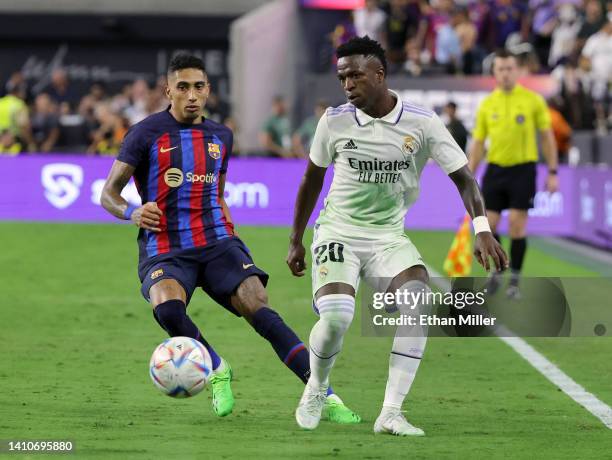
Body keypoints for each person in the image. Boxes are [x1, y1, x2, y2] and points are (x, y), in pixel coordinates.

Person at [100, 54, 359, 424]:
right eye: (184, 87)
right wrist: (132, 212)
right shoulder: (145, 133)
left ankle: (324, 395)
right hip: (166, 247)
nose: (192, 95)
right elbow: (108, 193)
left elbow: (216, 192)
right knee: (168, 308)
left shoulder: (221, 135)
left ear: (208, 90)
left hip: (217, 241)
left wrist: (231, 233)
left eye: (199, 87)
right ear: (168, 90)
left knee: (261, 310)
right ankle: (217, 367)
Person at [286, 36, 507, 436]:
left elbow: (465, 178)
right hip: (338, 231)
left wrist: (483, 229)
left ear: (380, 74)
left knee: (418, 305)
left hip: (388, 237)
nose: (348, 85)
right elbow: (311, 180)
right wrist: (296, 239)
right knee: (337, 318)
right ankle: (316, 387)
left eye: (355, 76)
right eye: (342, 78)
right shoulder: (334, 121)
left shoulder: (421, 123)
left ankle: (390, 413)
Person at [468, 49, 558, 300]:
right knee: (490, 226)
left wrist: (552, 171)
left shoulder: (533, 100)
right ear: (494, 72)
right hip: (495, 170)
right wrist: (468, 175)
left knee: (517, 228)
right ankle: (496, 273)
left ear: (517, 70)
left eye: (510, 68)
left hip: (523, 171)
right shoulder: (487, 104)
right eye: (501, 69)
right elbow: (478, 142)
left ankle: (514, 281)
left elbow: (547, 138)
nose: (506, 73)